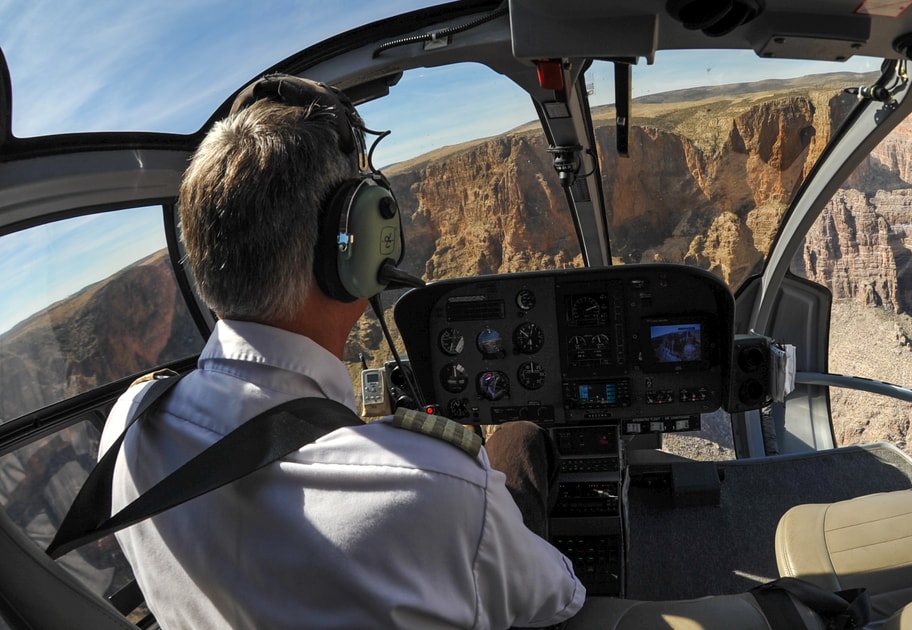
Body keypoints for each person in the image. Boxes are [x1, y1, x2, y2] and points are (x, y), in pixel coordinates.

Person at [99, 75, 584, 629]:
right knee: (520, 440)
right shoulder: (434, 490)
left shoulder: (127, 427)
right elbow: (559, 597)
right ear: (353, 249)